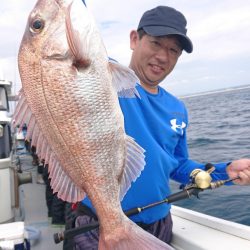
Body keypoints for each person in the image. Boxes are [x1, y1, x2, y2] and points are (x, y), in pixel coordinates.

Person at [71, 5, 250, 249]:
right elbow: (72, 39)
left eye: (173, 50)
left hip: (159, 224)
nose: (163, 57)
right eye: (155, 43)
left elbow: (177, 165)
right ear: (135, 39)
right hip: (99, 224)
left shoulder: (177, 107)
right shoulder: (101, 77)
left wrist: (225, 171)